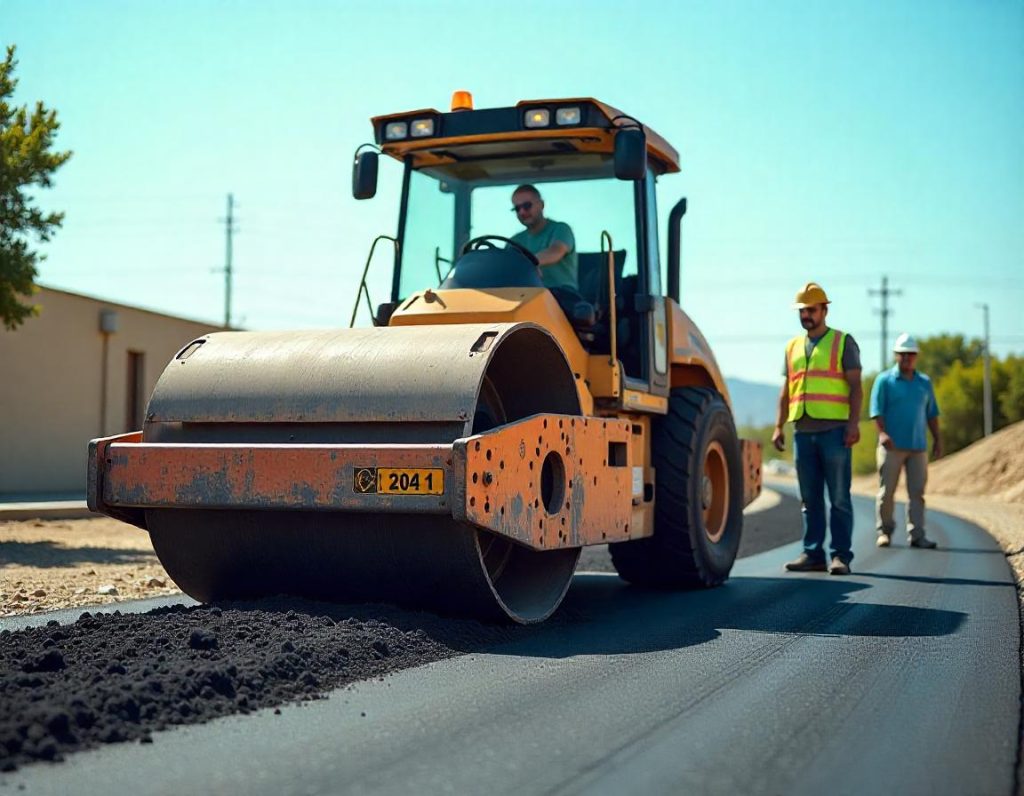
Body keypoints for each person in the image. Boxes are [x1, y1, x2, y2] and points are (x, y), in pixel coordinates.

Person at [772, 282, 863, 576]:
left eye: (811, 310)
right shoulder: (792, 346)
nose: (806, 315)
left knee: (838, 497)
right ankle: (813, 553)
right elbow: (786, 391)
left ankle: (840, 556)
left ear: (825, 310)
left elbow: (856, 387)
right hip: (802, 432)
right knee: (809, 498)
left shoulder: (843, 342)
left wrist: (853, 425)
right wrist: (778, 426)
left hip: (835, 432)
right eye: (802, 310)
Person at [869, 333, 943, 549]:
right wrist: (882, 433)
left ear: (916, 356)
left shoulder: (924, 383)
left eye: (911, 354)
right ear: (896, 355)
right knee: (887, 492)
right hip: (891, 447)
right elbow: (876, 411)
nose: (907, 358)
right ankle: (884, 532)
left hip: (917, 447)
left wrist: (937, 439)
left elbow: (932, 413)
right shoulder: (884, 381)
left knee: (917, 493)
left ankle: (917, 535)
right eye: (903, 354)